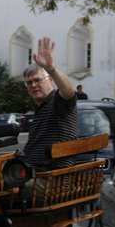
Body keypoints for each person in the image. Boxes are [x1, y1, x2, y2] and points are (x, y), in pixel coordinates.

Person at [21, 37, 79, 170]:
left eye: (37, 80)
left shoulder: (58, 102)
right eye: (29, 83)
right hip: (31, 173)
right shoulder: (40, 108)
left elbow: (69, 91)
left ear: (50, 79)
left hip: (50, 179)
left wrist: (51, 68)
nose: (33, 85)